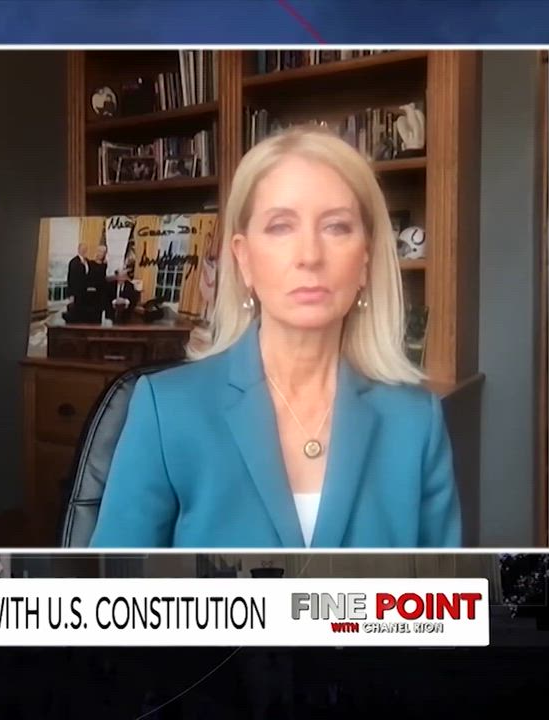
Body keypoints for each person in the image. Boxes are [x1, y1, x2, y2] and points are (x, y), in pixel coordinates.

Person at [90, 125, 460, 549]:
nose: (309, 256)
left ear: (365, 260)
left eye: (337, 227)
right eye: (281, 227)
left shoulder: (416, 422)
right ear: (244, 258)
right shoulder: (165, 410)